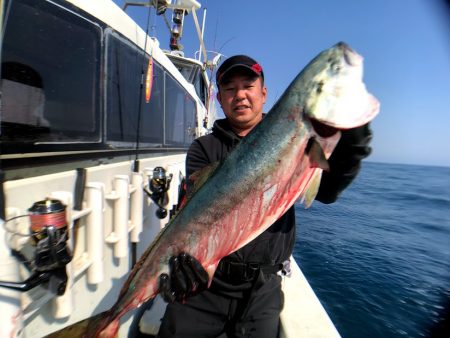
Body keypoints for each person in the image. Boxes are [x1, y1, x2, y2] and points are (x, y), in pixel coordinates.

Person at [157, 55, 373, 338]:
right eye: (230, 89)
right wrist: (182, 261)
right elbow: (196, 211)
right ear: (220, 99)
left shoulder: (295, 135)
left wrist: (354, 138)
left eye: (248, 85)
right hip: (207, 285)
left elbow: (328, 192)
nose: (240, 95)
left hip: (262, 289)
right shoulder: (203, 148)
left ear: (264, 93)